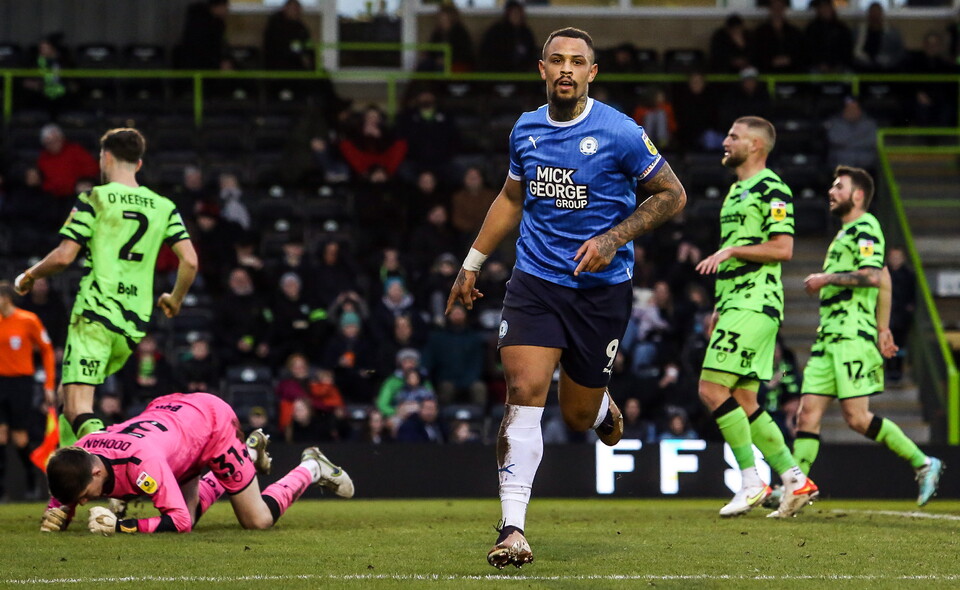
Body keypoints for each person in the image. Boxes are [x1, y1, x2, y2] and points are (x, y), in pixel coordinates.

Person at [446, 28, 686, 569]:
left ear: (591, 73)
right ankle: (512, 528)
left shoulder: (620, 131)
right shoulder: (526, 129)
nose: (566, 70)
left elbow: (673, 193)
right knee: (524, 388)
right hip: (535, 282)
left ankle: (599, 404)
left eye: (578, 62)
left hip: (600, 293)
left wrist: (612, 238)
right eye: (557, 60)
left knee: (577, 415)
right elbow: (511, 199)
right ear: (542, 68)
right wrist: (472, 262)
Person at [14, 128, 199, 448]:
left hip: (95, 314)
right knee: (66, 396)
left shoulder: (94, 199)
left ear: (106, 157)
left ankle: (120, 459)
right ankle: (65, 494)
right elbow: (190, 262)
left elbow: (64, 256)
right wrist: (175, 298)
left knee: (77, 406)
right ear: (139, 164)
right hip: (133, 323)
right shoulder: (163, 206)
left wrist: (29, 275)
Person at [794, 166, 943, 507]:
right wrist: (885, 328)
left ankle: (924, 463)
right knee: (807, 414)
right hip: (828, 338)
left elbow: (873, 277)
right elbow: (886, 278)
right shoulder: (846, 234)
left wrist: (827, 279)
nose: (831, 191)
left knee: (857, 418)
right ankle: (796, 488)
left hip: (850, 337)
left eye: (838, 186)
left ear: (857, 195)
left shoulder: (866, 227)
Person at [694, 116, 816, 519]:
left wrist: (730, 253)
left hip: (756, 301)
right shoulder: (735, 191)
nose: (725, 141)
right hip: (736, 302)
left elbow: (783, 248)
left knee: (711, 389)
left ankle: (752, 481)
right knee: (744, 399)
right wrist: (719, 306)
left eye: (734, 136)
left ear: (757, 146)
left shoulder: (772, 188)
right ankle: (795, 479)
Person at [39, 392, 353, 535]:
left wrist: (123, 527)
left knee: (256, 520)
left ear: (95, 470)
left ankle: (311, 467)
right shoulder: (80, 450)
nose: (82, 501)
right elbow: (68, 475)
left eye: (82, 494)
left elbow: (180, 524)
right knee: (154, 498)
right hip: (171, 420)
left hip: (211, 426)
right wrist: (58, 510)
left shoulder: (142, 464)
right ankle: (250, 456)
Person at [0, 281, 56, 500]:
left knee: (20, 438)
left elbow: (47, 350)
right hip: (0, 383)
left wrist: (49, 384)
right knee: (1, 437)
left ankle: (33, 481)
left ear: (6, 298)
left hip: (21, 383)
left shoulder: (28, 320)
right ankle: (2, 491)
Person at [36, 123, 99, 201]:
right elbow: (41, 181)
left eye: (56, 140)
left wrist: (85, 181)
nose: (54, 144)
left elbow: (92, 168)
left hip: (75, 193)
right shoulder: (43, 158)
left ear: (62, 138)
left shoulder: (75, 150)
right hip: (52, 197)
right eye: (49, 142)